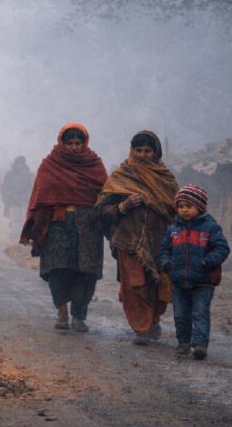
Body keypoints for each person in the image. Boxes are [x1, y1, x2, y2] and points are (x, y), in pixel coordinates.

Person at [21, 123, 107, 332]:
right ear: (63, 143)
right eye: (70, 143)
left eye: (78, 143)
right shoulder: (50, 164)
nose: (74, 147)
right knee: (58, 269)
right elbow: (39, 197)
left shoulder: (94, 165)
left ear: (84, 142)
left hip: (88, 225)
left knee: (85, 271)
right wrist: (35, 225)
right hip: (57, 223)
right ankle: (62, 312)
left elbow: (105, 194)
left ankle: (79, 316)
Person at [96, 130, 179, 345]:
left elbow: (175, 209)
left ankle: (153, 320)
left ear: (156, 152)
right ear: (131, 151)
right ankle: (142, 328)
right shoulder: (121, 176)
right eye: (138, 150)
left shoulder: (165, 179)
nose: (142, 155)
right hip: (128, 241)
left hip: (159, 239)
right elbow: (102, 210)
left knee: (156, 283)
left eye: (147, 151)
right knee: (135, 284)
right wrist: (123, 206)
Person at [160, 185, 230, 360]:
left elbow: (222, 248)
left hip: (203, 281)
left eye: (188, 206)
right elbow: (164, 250)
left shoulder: (210, 227)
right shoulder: (173, 229)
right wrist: (168, 264)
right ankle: (183, 343)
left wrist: (207, 262)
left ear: (200, 206)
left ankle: (199, 345)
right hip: (178, 281)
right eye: (180, 206)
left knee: (200, 313)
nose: (184, 210)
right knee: (180, 314)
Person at [2, 156, 35, 238]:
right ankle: (16, 238)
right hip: (13, 202)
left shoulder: (30, 175)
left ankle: (25, 238)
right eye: (18, 163)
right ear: (15, 164)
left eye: (21, 163)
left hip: (26, 202)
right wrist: (6, 199)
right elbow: (5, 188)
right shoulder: (9, 175)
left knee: (27, 220)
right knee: (16, 221)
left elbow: (33, 188)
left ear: (24, 164)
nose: (20, 165)